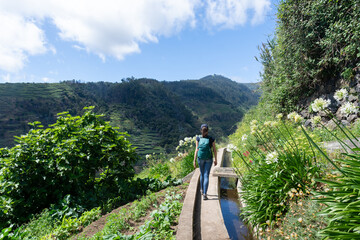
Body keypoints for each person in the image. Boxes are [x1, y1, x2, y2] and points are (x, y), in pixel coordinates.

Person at [193, 124, 217, 200]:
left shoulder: (198, 138)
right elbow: (214, 150)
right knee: (206, 175)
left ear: (201, 130)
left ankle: (202, 190)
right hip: (209, 159)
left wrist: (194, 160)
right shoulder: (211, 139)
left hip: (200, 158)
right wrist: (216, 159)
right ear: (208, 130)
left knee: (202, 174)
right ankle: (205, 194)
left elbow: (196, 150)